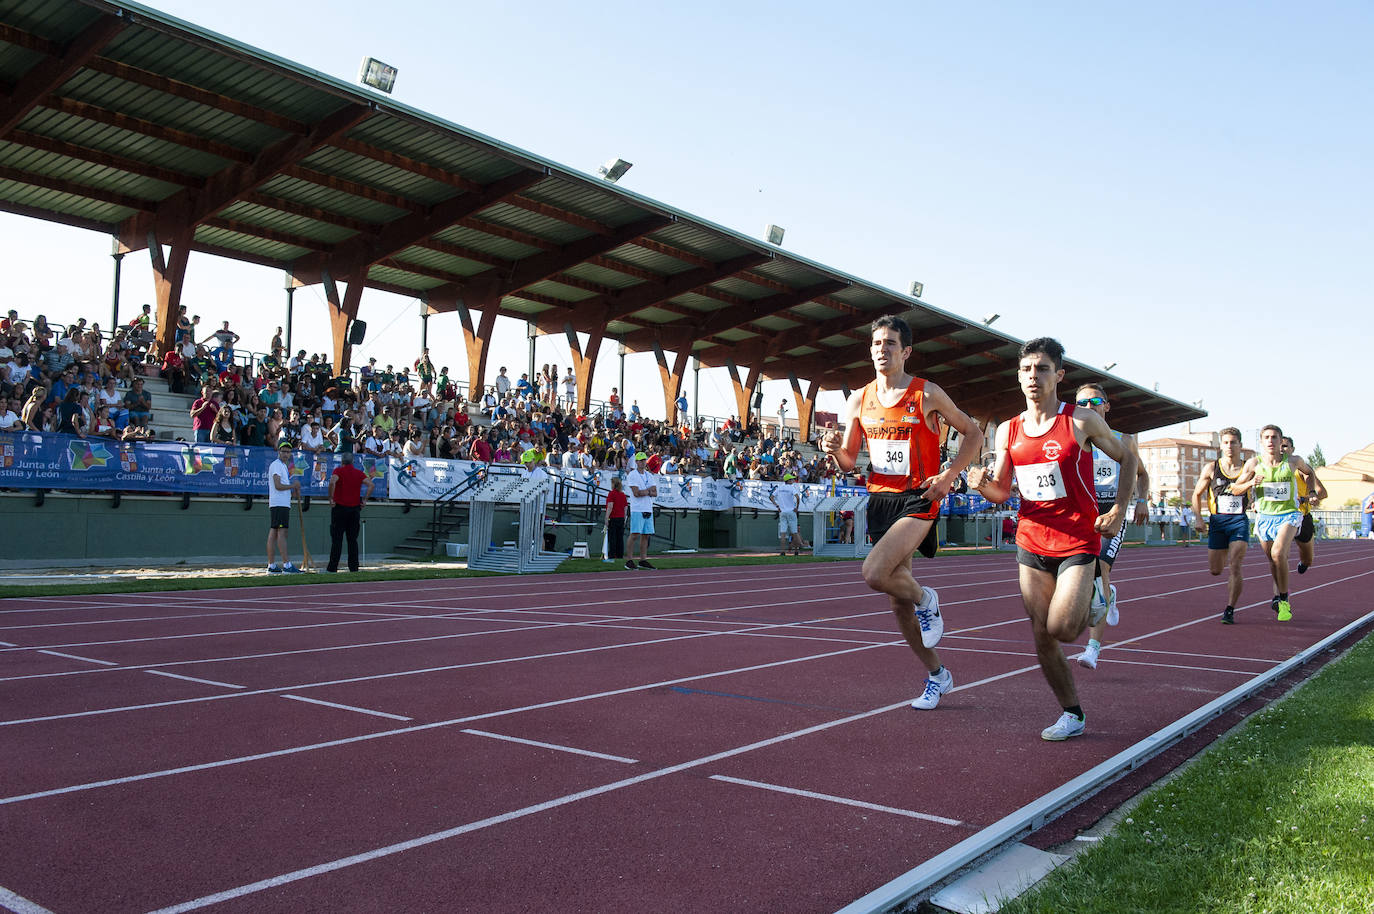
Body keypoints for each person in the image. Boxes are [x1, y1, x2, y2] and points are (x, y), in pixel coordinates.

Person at [967, 338, 1137, 740]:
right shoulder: (1008, 430)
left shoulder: (1080, 420)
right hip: (1031, 540)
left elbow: (1127, 455)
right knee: (1042, 634)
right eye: (1026, 369)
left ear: (1058, 375)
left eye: (1041, 369)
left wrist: (1118, 510)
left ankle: (1098, 595)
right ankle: (1072, 713)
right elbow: (1003, 491)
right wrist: (980, 485)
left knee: (1062, 628)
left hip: (1079, 540)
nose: (1032, 377)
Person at [821, 315, 984, 711]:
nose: (882, 349)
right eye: (876, 343)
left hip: (920, 496)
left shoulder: (926, 393)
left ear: (905, 351)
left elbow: (974, 432)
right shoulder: (859, 398)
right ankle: (937, 676)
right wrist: (833, 449)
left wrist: (949, 475)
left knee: (874, 573)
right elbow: (848, 461)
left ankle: (928, 599)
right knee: (897, 602)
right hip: (880, 499)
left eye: (890, 343)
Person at [1070, 384, 1151, 670]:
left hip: (1111, 515)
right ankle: (1110, 594)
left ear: (1106, 406)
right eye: (1082, 403)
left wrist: (1141, 500)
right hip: (1080, 516)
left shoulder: (1123, 440)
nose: (1088, 407)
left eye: (1094, 401)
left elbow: (1142, 474)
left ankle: (1092, 648)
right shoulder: (1073, 440)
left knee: (1100, 570)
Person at [1229, 425, 1321, 622]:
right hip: (1264, 517)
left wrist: (1311, 492)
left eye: (1274, 437)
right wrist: (1250, 484)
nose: (1271, 441)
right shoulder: (1253, 464)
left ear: (1281, 441)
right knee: (1273, 561)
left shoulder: (1294, 461)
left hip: (1289, 514)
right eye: (1267, 437)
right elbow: (1234, 489)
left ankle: (1284, 600)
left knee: (1278, 553)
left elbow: (1310, 473)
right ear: (1261, 442)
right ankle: (1279, 596)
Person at [1191, 427, 1251, 624]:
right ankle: (1224, 551)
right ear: (1220, 445)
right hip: (1217, 522)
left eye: (1233, 442)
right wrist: (1198, 517)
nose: (1229, 446)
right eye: (1225, 442)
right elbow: (1196, 494)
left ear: (1240, 445)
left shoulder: (1248, 469)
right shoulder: (1211, 468)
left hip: (1238, 521)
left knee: (1236, 565)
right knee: (1216, 570)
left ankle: (1230, 609)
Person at [1282, 436, 1328, 574]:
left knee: (1308, 559)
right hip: (1280, 516)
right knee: (1279, 554)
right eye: (1279, 445)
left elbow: (1323, 493)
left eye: (1285, 446)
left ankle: (1304, 562)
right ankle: (1280, 590)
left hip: (1302, 516)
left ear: (1292, 449)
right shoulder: (1269, 468)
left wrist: (1304, 498)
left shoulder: (1301, 469)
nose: (1281, 449)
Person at [327, 451, 373, 573]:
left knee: (337, 539)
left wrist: (331, 498)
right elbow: (371, 485)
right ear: (353, 461)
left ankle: (333, 567)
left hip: (340, 508)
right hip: (354, 509)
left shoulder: (338, 471)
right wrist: (364, 500)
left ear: (342, 461)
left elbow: (332, 482)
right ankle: (353, 567)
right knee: (352, 540)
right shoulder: (359, 473)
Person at [266, 441, 304, 574]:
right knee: (280, 533)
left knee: (275, 532)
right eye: (284, 451)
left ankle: (272, 565)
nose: (286, 454)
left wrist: (293, 491)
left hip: (281, 503)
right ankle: (286, 565)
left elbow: (282, 487)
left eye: (288, 452)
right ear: (279, 452)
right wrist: (293, 486)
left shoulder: (282, 466)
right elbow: (278, 485)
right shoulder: (276, 465)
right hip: (279, 504)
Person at [624, 451, 658, 570]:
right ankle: (629, 560)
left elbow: (655, 492)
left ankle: (643, 559)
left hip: (648, 507)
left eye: (644, 460)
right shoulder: (632, 475)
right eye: (641, 460)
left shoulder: (649, 475)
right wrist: (648, 491)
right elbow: (636, 493)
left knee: (646, 535)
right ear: (637, 462)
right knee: (634, 534)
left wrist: (647, 492)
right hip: (637, 509)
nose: (643, 462)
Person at [770, 472, 805, 555]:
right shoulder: (791, 488)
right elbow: (797, 497)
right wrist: (797, 507)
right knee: (794, 532)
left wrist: (777, 506)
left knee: (783, 533)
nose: (793, 480)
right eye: (792, 479)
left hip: (782, 512)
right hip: (791, 511)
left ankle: (782, 551)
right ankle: (797, 550)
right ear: (788, 481)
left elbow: (771, 497)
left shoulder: (779, 488)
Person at [604, 476, 628, 560]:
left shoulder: (612, 494)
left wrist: (606, 517)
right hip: (621, 518)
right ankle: (619, 555)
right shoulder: (623, 495)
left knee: (612, 538)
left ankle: (612, 555)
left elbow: (610, 506)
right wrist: (624, 519)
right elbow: (625, 508)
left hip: (613, 518)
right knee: (620, 538)